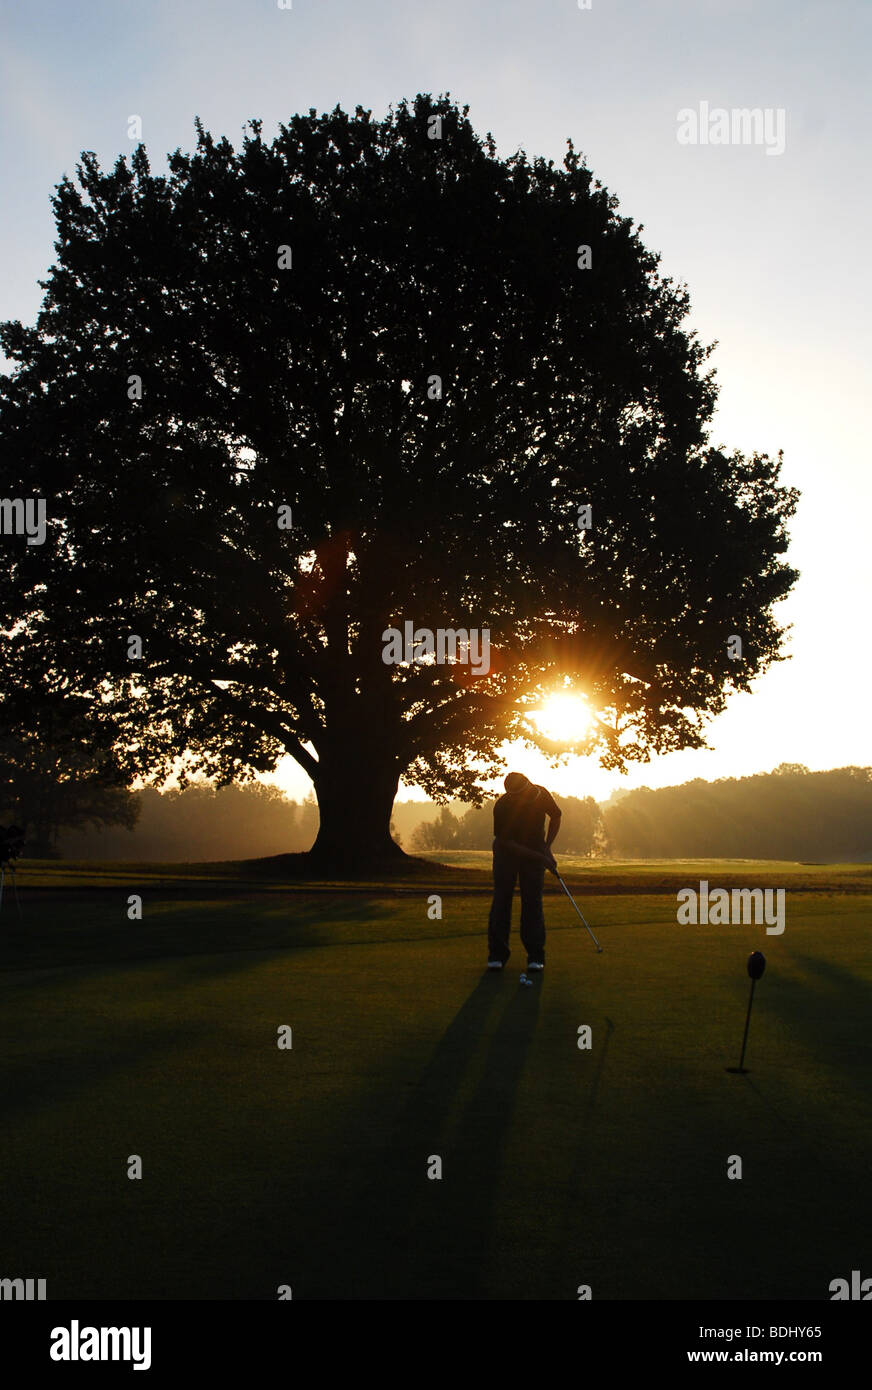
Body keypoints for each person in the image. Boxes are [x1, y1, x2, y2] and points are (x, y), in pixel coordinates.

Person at [486, 772, 561, 971]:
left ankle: (536, 956)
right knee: (502, 900)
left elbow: (556, 815)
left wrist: (547, 847)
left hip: (536, 850)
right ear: (512, 795)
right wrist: (540, 857)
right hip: (507, 854)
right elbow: (506, 843)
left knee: (532, 901)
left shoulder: (540, 793)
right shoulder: (502, 806)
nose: (529, 795)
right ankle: (497, 955)